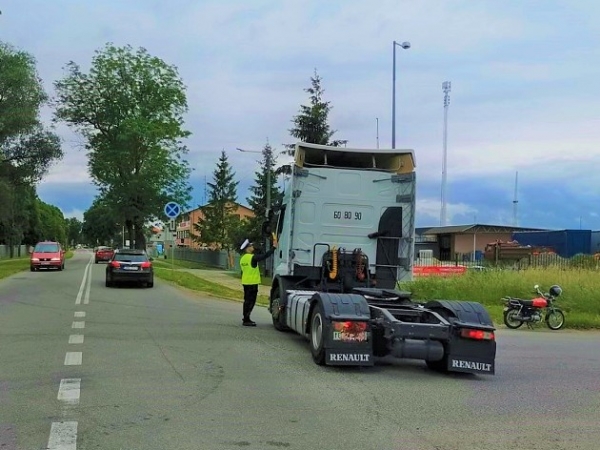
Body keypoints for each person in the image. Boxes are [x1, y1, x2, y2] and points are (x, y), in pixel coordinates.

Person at [239, 238, 277, 326]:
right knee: (251, 301)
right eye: (251, 246)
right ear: (247, 248)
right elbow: (264, 256)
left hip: (245, 282)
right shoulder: (252, 257)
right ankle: (246, 319)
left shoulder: (243, 258)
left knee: (246, 301)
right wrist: (273, 247)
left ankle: (245, 317)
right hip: (252, 283)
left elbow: (243, 271)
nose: (252, 247)